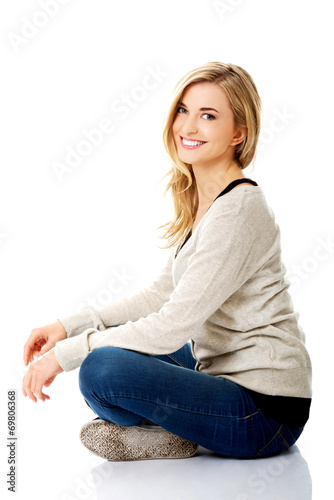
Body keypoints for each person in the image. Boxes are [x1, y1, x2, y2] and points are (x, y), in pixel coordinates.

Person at [22, 61, 312, 461]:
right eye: (183, 110)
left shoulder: (239, 209)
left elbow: (172, 326)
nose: (188, 127)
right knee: (114, 356)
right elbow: (161, 296)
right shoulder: (208, 198)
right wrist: (68, 326)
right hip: (216, 368)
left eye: (208, 116)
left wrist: (67, 354)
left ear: (238, 133)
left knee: (101, 370)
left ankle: (169, 430)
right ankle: (171, 436)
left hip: (266, 411)